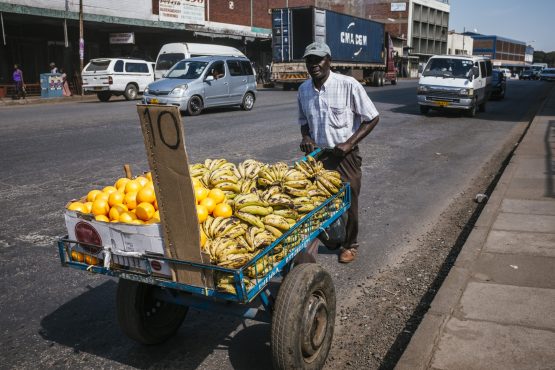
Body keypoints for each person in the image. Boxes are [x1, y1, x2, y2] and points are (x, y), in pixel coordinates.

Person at [297, 42, 380, 263]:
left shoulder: (348, 85)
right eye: (309, 60)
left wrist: (349, 143)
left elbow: (372, 118)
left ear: (329, 61)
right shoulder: (303, 90)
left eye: (318, 59)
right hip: (318, 158)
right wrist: (306, 137)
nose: (313, 64)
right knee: (314, 203)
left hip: (345, 156)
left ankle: (350, 245)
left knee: (349, 202)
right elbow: (304, 121)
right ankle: (325, 242)